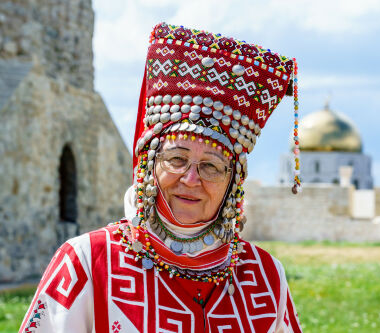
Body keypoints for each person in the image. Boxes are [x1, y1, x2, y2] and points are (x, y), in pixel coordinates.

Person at [20, 22, 302, 332]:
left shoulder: (264, 275)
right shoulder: (88, 262)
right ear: (150, 165)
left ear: (233, 182)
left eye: (211, 166)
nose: (191, 178)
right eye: (177, 159)